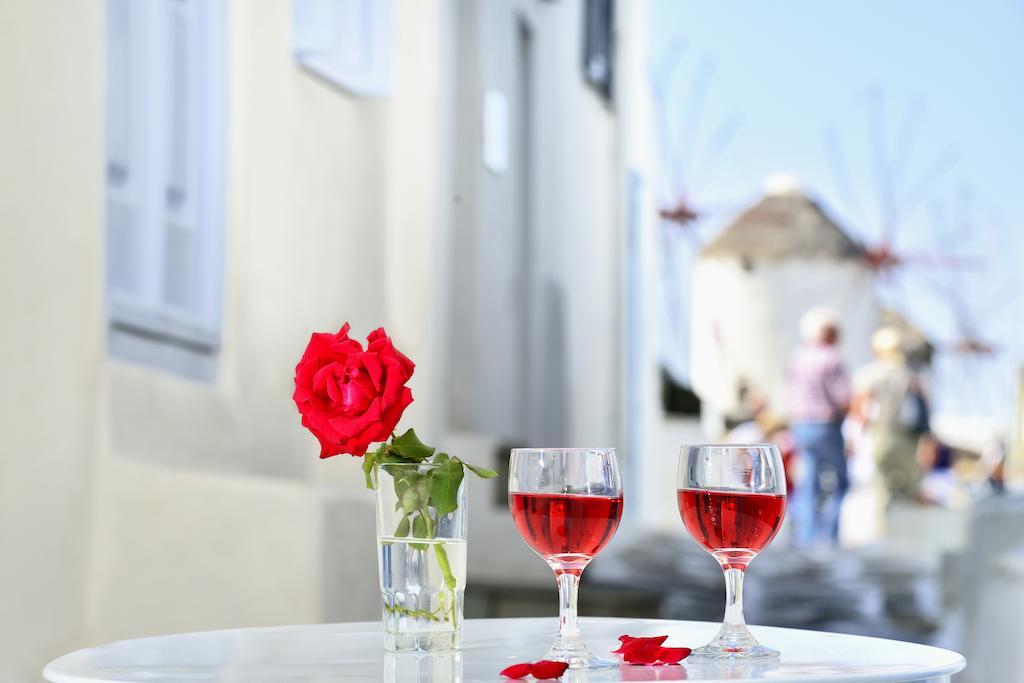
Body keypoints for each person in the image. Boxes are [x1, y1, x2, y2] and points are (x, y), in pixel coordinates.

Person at [786, 307, 851, 545]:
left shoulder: (797, 357)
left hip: (801, 425)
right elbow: (842, 397)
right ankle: (830, 536)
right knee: (841, 480)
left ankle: (807, 536)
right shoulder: (832, 358)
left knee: (809, 479)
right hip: (826, 424)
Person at [851, 327, 927, 505]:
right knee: (911, 486)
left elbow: (860, 409)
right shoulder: (910, 374)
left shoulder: (870, 374)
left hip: (880, 434)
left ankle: (882, 528)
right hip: (907, 438)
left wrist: (856, 437)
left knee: (880, 486)